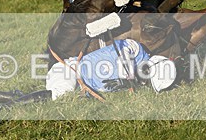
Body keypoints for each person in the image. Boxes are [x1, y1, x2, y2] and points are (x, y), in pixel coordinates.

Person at [45, 39, 177, 100]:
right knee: (62, 92)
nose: (144, 83)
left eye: (148, 84)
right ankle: (23, 101)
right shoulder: (136, 49)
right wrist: (128, 77)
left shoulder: (134, 82)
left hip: (81, 88)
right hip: (68, 70)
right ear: (149, 68)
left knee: (65, 97)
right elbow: (123, 49)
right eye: (148, 80)